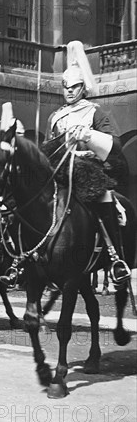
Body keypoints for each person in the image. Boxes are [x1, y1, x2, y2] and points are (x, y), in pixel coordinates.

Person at [45, 40, 131, 283]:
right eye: (65, 87)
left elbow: (115, 144)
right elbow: (49, 145)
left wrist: (89, 135)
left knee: (104, 198)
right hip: (60, 169)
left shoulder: (95, 112)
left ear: (83, 88)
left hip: (88, 168)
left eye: (74, 87)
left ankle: (116, 259)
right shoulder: (55, 117)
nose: (69, 91)